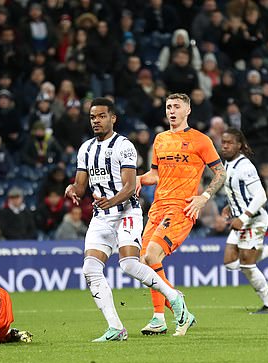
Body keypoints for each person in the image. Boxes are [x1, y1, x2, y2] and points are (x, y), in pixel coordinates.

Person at [65, 97, 194, 341]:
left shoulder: (124, 146)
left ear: (113, 118)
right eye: (93, 117)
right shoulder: (86, 149)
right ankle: (116, 328)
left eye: (102, 116)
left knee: (129, 264)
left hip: (126, 212)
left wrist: (111, 202)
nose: (96, 121)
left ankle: (174, 298)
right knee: (90, 268)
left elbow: (128, 185)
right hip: (101, 216)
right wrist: (71, 189)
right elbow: (81, 186)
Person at [136, 93, 226, 335]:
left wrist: (203, 197)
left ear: (188, 111)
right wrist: (138, 179)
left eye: (176, 106)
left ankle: (179, 310)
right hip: (157, 207)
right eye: (168, 107)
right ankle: (159, 318)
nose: (171, 111)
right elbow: (155, 175)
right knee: (144, 263)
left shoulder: (200, 140)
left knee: (153, 255)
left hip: (181, 207)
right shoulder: (160, 139)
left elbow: (221, 173)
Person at [220, 128, 268, 314]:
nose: (224, 146)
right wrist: (230, 205)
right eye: (223, 142)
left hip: (253, 220)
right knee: (230, 262)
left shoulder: (245, 167)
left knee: (248, 265)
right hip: (242, 218)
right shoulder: (227, 163)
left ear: (239, 145)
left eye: (229, 142)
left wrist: (243, 217)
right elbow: (238, 191)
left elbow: (261, 195)